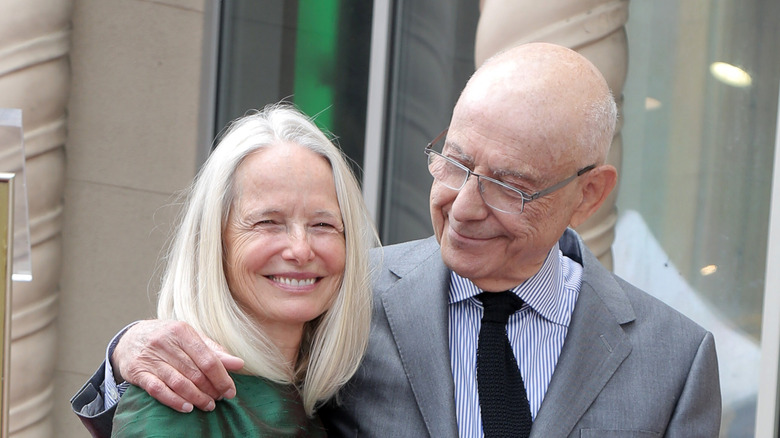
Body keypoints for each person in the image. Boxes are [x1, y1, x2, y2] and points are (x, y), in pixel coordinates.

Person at [73, 43, 721, 437]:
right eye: (456, 163)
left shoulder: (674, 361)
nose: (463, 207)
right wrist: (126, 351)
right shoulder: (347, 293)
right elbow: (220, 395)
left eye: (509, 185)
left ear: (588, 194)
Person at [72, 104, 379, 437]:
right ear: (214, 242)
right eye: (268, 222)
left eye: (322, 224)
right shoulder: (181, 397)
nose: (301, 249)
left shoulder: (328, 394)